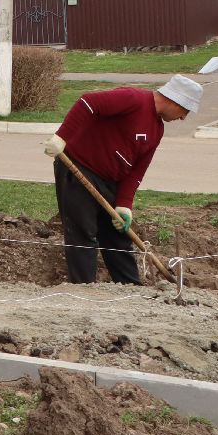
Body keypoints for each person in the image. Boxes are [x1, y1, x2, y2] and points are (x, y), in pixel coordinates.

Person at [42, 74, 201, 285]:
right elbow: (88, 102)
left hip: (110, 181)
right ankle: (83, 290)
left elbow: (137, 171)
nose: (183, 118)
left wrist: (124, 204)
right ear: (175, 101)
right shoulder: (133, 99)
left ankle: (131, 289)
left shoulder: (157, 130)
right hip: (78, 168)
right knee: (83, 234)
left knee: (118, 238)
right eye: (185, 111)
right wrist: (61, 137)